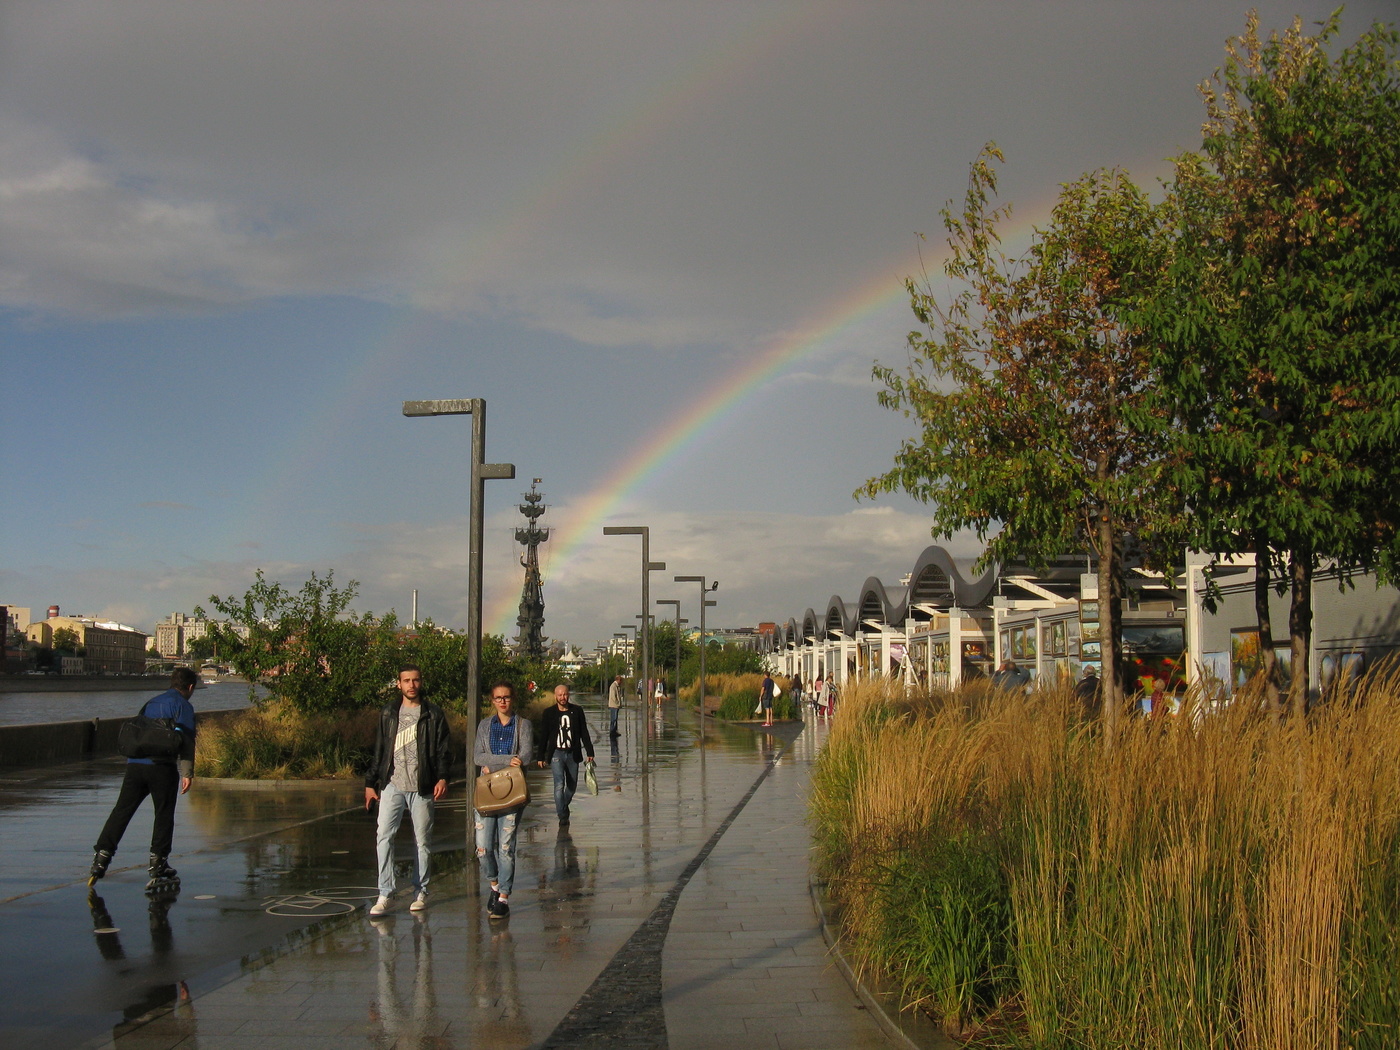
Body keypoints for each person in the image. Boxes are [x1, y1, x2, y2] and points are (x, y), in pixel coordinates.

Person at [90, 667, 199, 888]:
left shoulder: (151, 703)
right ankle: (158, 863)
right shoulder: (183, 706)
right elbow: (187, 741)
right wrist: (187, 774)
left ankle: (102, 856)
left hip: (136, 766)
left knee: (122, 811)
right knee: (163, 814)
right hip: (162, 768)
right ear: (189, 687)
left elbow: (138, 731)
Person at [365, 665, 453, 916]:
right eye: (406, 681)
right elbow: (379, 750)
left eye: (415, 680)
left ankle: (421, 890)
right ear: (399, 684)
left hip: (422, 785)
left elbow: (444, 749)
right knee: (383, 837)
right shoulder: (388, 712)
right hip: (392, 784)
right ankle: (385, 893)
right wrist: (370, 783)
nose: (411, 685)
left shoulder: (433, 714)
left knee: (422, 841)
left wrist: (443, 777)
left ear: (421, 682)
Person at [474, 681, 534, 920]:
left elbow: (526, 755)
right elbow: (478, 756)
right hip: (487, 792)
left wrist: (497, 762)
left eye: (506, 697)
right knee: (483, 847)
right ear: (492, 700)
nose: (502, 701)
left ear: (513, 698)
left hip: (512, 792)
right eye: (498, 698)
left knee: (506, 847)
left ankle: (504, 898)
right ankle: (494, 884)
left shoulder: (524, 725)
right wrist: (509, 759)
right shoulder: (484, 725)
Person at [537, 683, 595, 826]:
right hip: (556, 752)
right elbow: (543, 736)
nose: (563, 697)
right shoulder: (549, 713)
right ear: (555, 696)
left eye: (565, 694)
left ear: (568, 695)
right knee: (559, 784)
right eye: (560, 695)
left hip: (572, 753)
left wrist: (590, 751)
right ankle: (562, 815)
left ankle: (563, 806)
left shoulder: (577, 711)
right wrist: (540, 756)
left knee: (572, 785)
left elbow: (584, 732)